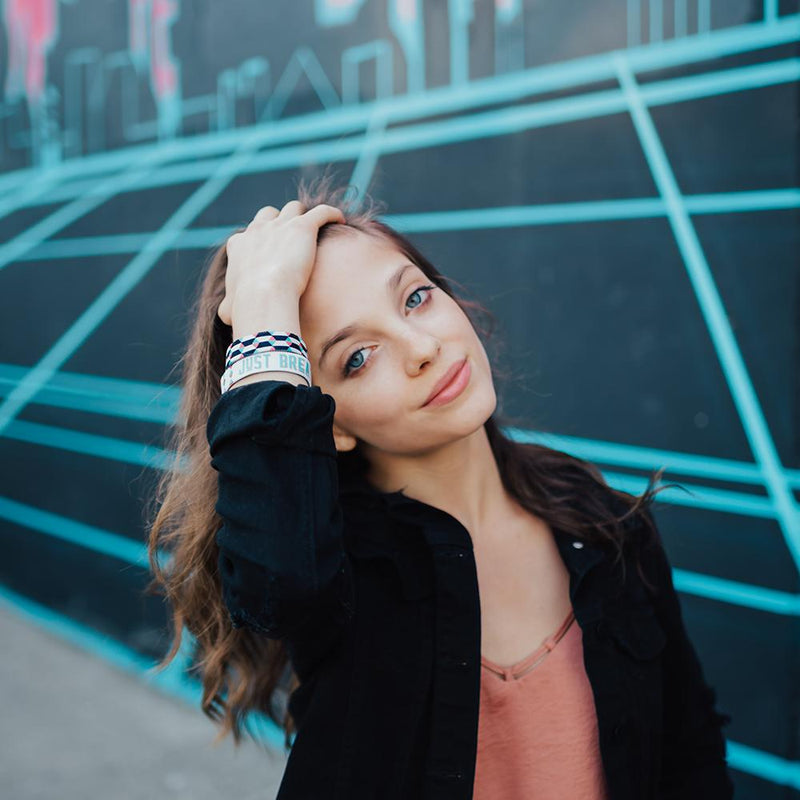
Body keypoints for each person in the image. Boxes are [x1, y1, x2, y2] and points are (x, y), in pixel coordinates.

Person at [146, 172, 735, 799]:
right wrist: (264, 308)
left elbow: (690, 757)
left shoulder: (609, 527)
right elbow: (276, 585)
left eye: (415, 298)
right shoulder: (333, 575)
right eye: (357, 358)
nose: (421, 347)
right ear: (329, 424)